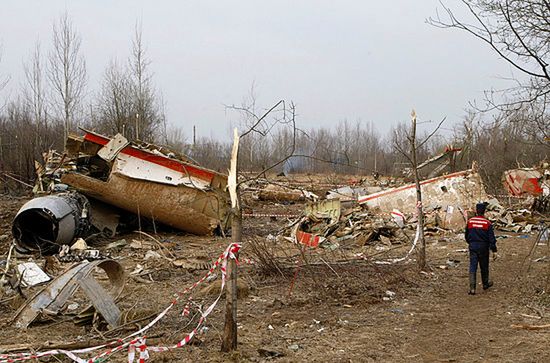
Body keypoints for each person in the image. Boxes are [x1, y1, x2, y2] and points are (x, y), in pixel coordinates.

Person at [465, 202, 497, 295]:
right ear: (484, 211)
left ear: (476, 211)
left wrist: (470, 243)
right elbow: (492, 238)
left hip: (473, 246)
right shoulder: (487, 223)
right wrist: (494, 250)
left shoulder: (470, 222)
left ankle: (472, 288)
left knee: (473, 266)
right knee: (484, 266)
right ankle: (485, 284)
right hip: (483, 247)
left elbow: (466, 235)